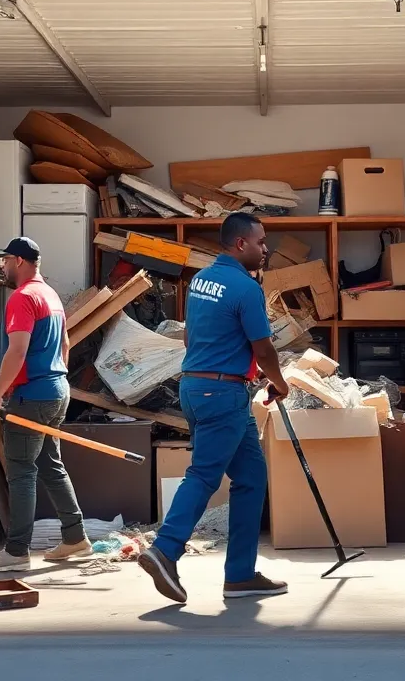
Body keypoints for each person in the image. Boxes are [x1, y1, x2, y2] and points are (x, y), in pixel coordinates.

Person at [139, 212, 291, 603]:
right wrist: (278, 382)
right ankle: (165, 549)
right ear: (240, 244)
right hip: (221, 395)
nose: (265, 249)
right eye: (260, 242)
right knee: (204, 475)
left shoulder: (202, 280)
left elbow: (192, 336)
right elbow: (263, 347)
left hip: (199, 387)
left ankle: (239, 575)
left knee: (252, 478)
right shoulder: (245, 288)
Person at [0, 237, 89, 572]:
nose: (2, 265)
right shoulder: (50, 296)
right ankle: (75, 537)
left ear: (20, 261)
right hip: (57, 390)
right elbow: (66, 344)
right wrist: (57, 378)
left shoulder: (23, 298)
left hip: (34, 396)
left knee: (22, 471)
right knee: (51, 466)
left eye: (5, 260)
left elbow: (17, 351)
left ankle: (16, 552)